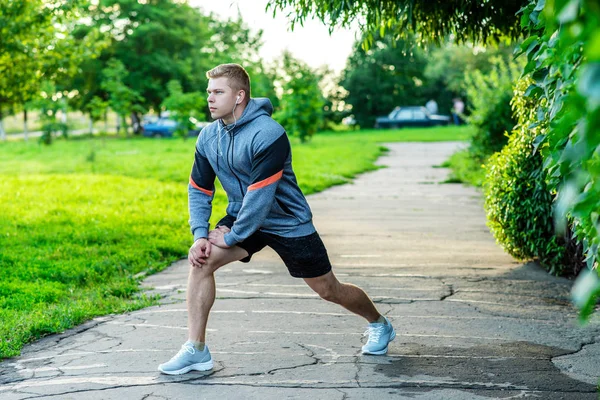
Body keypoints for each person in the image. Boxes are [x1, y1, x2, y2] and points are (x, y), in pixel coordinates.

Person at [158, 64, 395, 375]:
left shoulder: (269, 133)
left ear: (239, 95)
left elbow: (261, 195)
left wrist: (230, 236)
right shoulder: (208, 137)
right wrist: (200, 234)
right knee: (201, 261)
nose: (210, 99)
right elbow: (200, 189)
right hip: (243, 215)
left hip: (287, 221)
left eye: (218, 92)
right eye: (209, 93)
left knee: (327, 289)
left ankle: (379, 323)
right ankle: (196, 350)